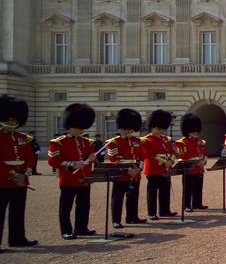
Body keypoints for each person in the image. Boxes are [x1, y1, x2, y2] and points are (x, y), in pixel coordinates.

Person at [48, 103, 98, 239]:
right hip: (69, 179)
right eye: (78, 127)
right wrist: (73, 164)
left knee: (83, 206)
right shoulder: (59, 142)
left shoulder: (86, 142)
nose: (80, 130)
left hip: (84, 179)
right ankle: (66, 230)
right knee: (66, 207)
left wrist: (92, 158)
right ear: (70, 126)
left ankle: (81, 228)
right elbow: (53, 161)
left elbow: (92, 156)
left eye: (82, 127)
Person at [0, 94, 37, 250]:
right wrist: (14, 175)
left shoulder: (24, 138)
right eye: (9, 118)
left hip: (21, 179)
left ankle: (17, 238)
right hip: (2, 180)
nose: (12, 121)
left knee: (18, 211)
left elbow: (30, 158)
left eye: (15, 119)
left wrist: (25, 173)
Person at [106, 108, 145, 228]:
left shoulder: (137, 141)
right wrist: (127, 170)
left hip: (135, 172)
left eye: (129, 129)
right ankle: (116, 220)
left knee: (133, 196)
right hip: (121, 174)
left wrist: (139, 169)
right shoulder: (114, 142)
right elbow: (114, 159)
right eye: (124, 128)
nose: (126, 131)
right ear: (120, 128)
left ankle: (132, 217)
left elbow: (142, 156)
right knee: (118, 198)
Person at [140, 109, 177, 220]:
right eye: (157, 129)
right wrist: (164, 162)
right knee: (152, 192)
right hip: (153, 169)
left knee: (165, 190)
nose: (159, 131)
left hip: (166, 169)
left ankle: (165, 210)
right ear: (152, 128)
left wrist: (171, 160)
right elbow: (149, 155)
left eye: (161, 129)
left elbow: (172, 151)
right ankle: (152, 212)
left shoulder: (166, 139)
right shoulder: (146, 140)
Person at [176, 113, 208, 211]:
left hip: (199, 168)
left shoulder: (200, 141)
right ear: (188, 130)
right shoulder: (182, 142)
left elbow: (205, 153)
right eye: (193, 131)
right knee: (187, 189)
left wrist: (204, 161)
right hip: (189, 169)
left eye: (196, 131)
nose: (196, 133)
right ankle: (186, 205)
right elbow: (183, 156)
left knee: (198, 187)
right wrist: (196, 162)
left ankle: (197, 203)